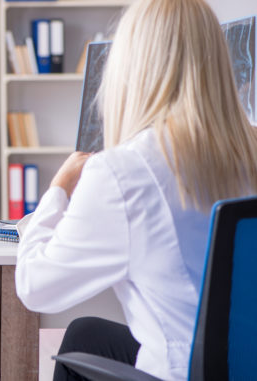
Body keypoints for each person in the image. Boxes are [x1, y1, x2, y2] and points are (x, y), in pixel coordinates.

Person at [14, 0, 257, 380]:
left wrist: (58, 189)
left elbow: (35, 287)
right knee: (86, 334)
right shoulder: (249, 149)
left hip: (183, 372)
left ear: (132, 67)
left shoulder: (124, 171)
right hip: (243, 364)